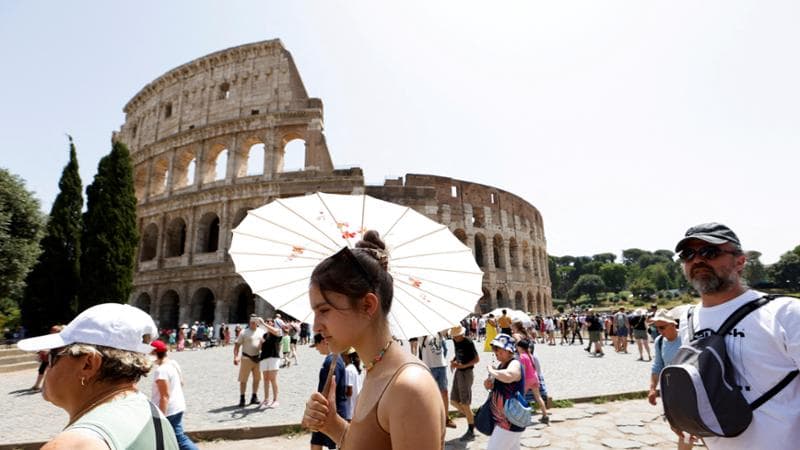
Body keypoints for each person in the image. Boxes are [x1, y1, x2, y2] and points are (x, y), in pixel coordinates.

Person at [301, 231, 446, 449]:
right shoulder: (375, 370)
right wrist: (332, 425)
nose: (316, 326)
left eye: (324, 310)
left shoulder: (409, 389)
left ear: (368, 305)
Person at [671, 222, 800, 450]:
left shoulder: (786, 313)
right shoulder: (688, 318)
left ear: (740, 261)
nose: (697, 260)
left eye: (710, 252)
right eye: (688, 254)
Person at [16, 303, 179, 449]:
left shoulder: (74, 444)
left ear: (88, 364)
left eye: (52, 355)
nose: (47, 367)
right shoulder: (154, 416)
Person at [150, 340, 199, 450]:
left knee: (179, 439)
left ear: (155, 353)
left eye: (150, 354)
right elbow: (181, 382)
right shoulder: (173, 363)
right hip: (177, 406)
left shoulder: (161, 371)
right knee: (175, 437)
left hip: (169, 410)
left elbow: (165, 396)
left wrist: (161, 416)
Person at [483, 333, 525, 449]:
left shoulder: (515, 363)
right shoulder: (502, 365)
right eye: (496, 352)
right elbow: (497, 385)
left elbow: (509, 376)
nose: (497, 354)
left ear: (509, 351)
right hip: (504, 418)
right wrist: (488, 384)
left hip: (510, 420)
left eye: (500, 351)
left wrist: (492, 371)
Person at [410, 331, 457, 429]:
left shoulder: (439, 332)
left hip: (441, 366)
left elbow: (448, 332)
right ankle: (428, 418)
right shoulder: (422, 335)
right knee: (428, 393)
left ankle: (446, 418)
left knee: (444, 392)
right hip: (428, 367)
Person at [309, 333, 347, 449]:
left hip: (330, 410)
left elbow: (329, 390)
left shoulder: (331, 362)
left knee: (332, 445)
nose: (316, 348)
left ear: (324, 342)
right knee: (316, 441)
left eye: (316, 345)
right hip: (327, 409)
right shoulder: (334, 359)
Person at [450, 325, 480, 441]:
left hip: (467, 373)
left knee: (465, 403)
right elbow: (458, 353)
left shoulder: (468, 342)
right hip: (459, 371)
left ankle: (470, 430)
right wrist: (454, 360)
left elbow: (477, 359)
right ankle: (473, 419)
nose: (455, 338)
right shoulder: (454, 340)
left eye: (456, 336)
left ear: (461, 334)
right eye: (454, 336)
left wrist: (464, 365)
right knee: (453, 401)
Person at [647, 309, 682, 406]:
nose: (659, 331)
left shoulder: (686, 338)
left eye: (662, 327)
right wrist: (652, 389)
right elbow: (658, 366)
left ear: (673, 324)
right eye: (656, 328)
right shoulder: (659, 341)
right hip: (669, 389)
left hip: (688, 388)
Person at [233, 314, 265, 407]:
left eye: (255, 322)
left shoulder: (262, 332)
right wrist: (236, 356)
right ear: (249, 322)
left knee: (257, 379)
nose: (253, 323)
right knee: (243, 379)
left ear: (257, 322)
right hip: (246, 358)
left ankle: (254, 396)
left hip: (258, 358)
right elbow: (237, 345)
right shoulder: (244, 332)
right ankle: (242, 398)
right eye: (251, 322)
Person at [516, 339, 548, 424]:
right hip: (534, 378)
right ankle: (545, 415)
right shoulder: (530, 355)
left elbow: (523, 369)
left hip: (527, 380)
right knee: (538, 397)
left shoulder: (522, 356)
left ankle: (520, 417)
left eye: (517, 346)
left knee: (520, 398)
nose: (516, 348)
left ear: (520, 347)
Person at [257, 317, 284, 408]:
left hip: (273, 357)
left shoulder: (277, 331)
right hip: (264, 358)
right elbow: (261, 348)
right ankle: (266, 399)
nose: (268, 322)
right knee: (265, 379)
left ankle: (275, 400)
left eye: (270, 322)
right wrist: (260, 343)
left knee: (273, 379)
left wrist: (264, 324)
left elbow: (276, 332)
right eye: (267, 321)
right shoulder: (264, 335)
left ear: (273, 323)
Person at [31, 325, 62, 391]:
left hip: (55, 357)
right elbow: (46, 346)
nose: (52, 331)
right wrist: (40, 351)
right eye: (52, 330)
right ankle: (37, 385)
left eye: (54, 330)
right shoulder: (50, 338)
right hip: (48, 357)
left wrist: (48, 351)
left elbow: (59, 349)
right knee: (41, 370)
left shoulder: (61, 339)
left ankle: (46, 386)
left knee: (52, 372)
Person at [342, 348, 363, 422]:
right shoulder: (354, 368)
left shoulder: (348, 370)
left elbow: (349, 392)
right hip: (356, 405)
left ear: (346, 356)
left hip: (349, 407)